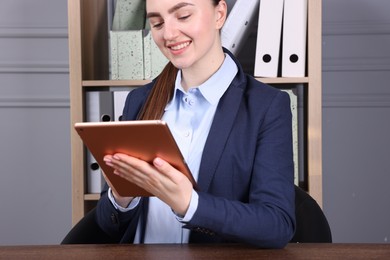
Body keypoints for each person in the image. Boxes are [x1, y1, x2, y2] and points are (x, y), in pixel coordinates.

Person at [96, 0, 295, 248]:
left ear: (219, 14)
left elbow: (277, 225)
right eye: (157, 23)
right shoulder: (139, 100)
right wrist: (121, 196)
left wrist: (190, 204)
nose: (168, 34)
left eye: (183, 16)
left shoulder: (266, 107)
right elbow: (107, 225)